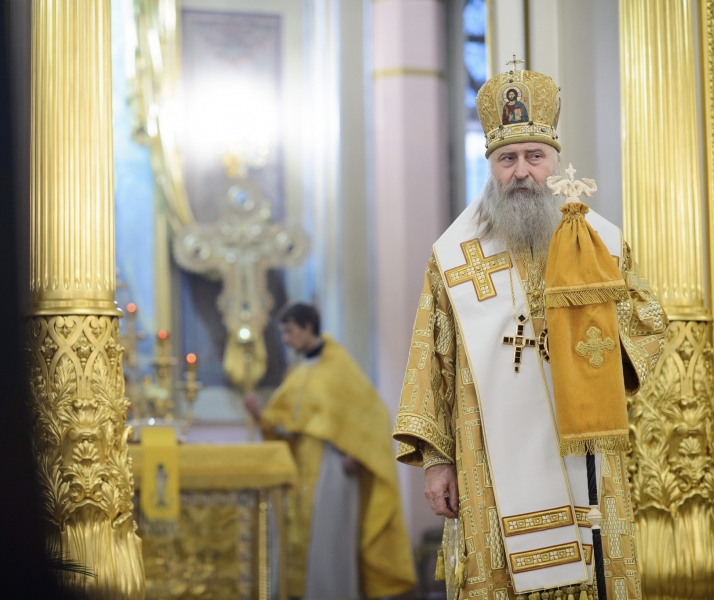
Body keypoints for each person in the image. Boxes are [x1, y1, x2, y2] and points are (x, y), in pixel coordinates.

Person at [393, 65, 667, 600]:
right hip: (486, 464)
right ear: (491, 166)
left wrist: (598, 347)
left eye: (534, 157)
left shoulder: (598, 243)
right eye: (507, 159)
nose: (522, 171)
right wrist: (437, 463)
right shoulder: (453, 257)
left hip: (583, 450)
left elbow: (647, 325)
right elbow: (431, 361)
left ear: (555, 161)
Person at [245, 302, 416, 600]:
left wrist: (357, 453)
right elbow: (286, 421)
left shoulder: (338, 363)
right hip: (301, 463)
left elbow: (373, 413)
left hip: (331, 464)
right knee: (300, 538)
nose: (285, 339)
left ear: (308, 327)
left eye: (290, 331)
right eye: (283, 332)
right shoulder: (298, 371)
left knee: (329, 542)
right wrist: (260, 416)